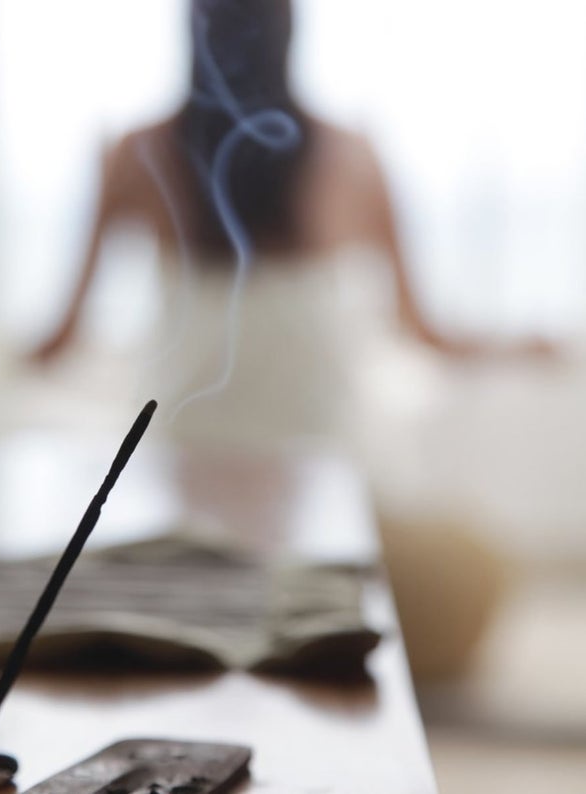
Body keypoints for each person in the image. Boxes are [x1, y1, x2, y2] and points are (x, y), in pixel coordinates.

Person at [31, 0, 550, 678]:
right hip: (317, 484)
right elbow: (426, 333)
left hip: (191, 480)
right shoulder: (351, 156)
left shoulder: (139, 153)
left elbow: (57, 342)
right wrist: (515, 348)